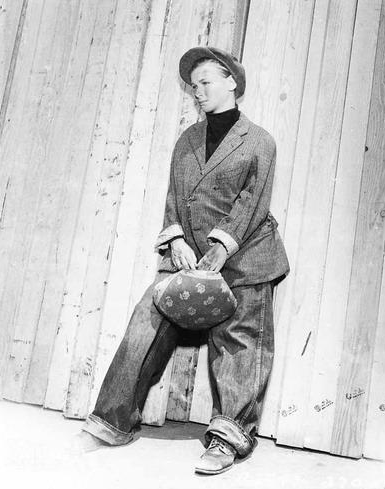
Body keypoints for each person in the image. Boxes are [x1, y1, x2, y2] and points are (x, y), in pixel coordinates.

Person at [79, 46, 289, 476]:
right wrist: (175, 238)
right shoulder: (188, 139)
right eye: (193, 86)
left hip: (247, 257)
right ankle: (112, 421)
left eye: (205, 82)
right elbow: (175, 197)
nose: (198, 92)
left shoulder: (259, 141)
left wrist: (222, 247)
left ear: (231, 81)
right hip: (191, 257)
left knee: (240, 340)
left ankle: (229, 435)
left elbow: (252, 202)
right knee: (146, 324)